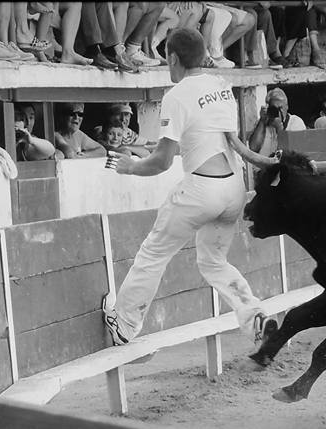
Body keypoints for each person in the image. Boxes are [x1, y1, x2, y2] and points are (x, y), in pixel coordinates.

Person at [101, 27, 278, 348]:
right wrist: (151, 149)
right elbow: (206, 139)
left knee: (153, 253)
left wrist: (132, 167)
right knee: (213, 261)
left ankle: (124, 325)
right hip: (234, 188)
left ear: (172, 58)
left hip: (201, 189)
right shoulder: (221, 86)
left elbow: (162, 163)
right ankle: (255, 318)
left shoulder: (177, 95)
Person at [248, 87, 307, 156]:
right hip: (263, 165)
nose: (279, 112)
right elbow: (253, 148)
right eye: (275, 108)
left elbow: (292, 153)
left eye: (280, 108)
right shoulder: (263, 123)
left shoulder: (296, 122)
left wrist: (279, 129)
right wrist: (262, 121)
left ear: (287, 106)